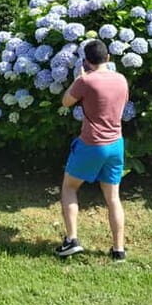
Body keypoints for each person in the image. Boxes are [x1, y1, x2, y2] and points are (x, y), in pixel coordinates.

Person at [55, 39, 129, 261]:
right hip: (116, 144)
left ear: (86, 61)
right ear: (108, 58)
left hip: (91, 144)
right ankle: (118, 250)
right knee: (113, 197)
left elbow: (66, 102)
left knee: (69, 187)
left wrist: (78, 79)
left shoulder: (85, 81)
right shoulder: (121, 79)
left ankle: (72, 240)